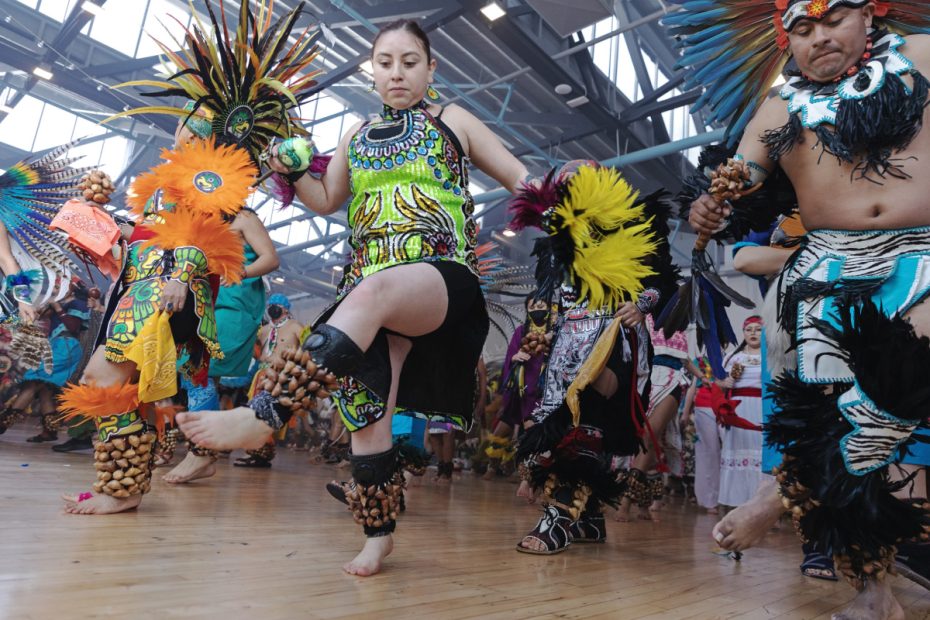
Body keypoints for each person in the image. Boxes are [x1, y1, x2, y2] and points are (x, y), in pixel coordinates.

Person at [176, 18, 551, 576]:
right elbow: (328, 200)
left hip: (439, 276)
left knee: (376, 291)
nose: (396, 73)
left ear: (431, 68)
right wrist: (291, 171)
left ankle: (267, 414)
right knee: (368, 407)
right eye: (384, 62)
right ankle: (378, 535)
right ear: (371, 70)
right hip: (367, 285)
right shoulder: (354, 133)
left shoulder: (454, 120)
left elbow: (523, 180)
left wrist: (571, 197)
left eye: (409, 61)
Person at [669, 1, 930, 616]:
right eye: (803, 29)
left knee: (907, 370)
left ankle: (779, 494)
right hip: (824, 271)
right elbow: (736, 181)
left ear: (872, 15)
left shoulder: (919, 58)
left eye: (834, 19)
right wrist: (708, 208)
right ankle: (873, 593)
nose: (818, 38)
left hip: (922, 251)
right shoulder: (780, 104)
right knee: (821, 416)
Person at [57, 0, 320, 515]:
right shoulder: (171, 180)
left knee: (105, 379)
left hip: (164, 291)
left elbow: (204, 232)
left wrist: (181, 272)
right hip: (142, 286)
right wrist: (96, 229)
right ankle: (122, 486)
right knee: (116, 385)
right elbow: (150, 235)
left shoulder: (207, 174)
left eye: (196, 122)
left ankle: (125, 489)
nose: (185, 128)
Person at [162, 213, 279, 482]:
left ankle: (202, 453)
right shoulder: (202, 219)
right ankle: (201, 451)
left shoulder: (245, 218)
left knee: (197, 370)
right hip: (206, 302)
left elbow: (271, 258)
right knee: (192, 372)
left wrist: (244, 271)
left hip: (234, 304)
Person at [483, 293, 552, 480]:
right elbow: (509, 358)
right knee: (507, 429)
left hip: (544, 391)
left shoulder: (556, 332)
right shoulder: (521, 332)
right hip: (521, 390)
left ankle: (528, 474)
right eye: (533, 307)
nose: (538, 311)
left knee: (535, 433)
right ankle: (495, 466)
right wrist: (515, 358)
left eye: (541, 306)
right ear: (527, 309)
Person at [232, 293, 304, 469]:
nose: (272, 307)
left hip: (281, 377)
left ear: (286, 309)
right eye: (270, 304)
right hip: (261, 376)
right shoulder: (263, 330)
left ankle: (264, 453)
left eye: (276, 305)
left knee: (269, 416)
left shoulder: (296, 327)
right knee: (254, 414)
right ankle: (255, 453)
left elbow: (307, 350)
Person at [717, 317, 764, 509]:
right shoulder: (732, 357)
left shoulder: (771, 356)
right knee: (737, 451)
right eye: (749, 329)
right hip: (738, 409)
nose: (753, 333)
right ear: (743, 333)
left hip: (762, 409)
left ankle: (760, 504)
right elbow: (717, 384)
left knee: (761, 453)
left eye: (758, 329)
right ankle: (736, 503)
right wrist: (724, 383)